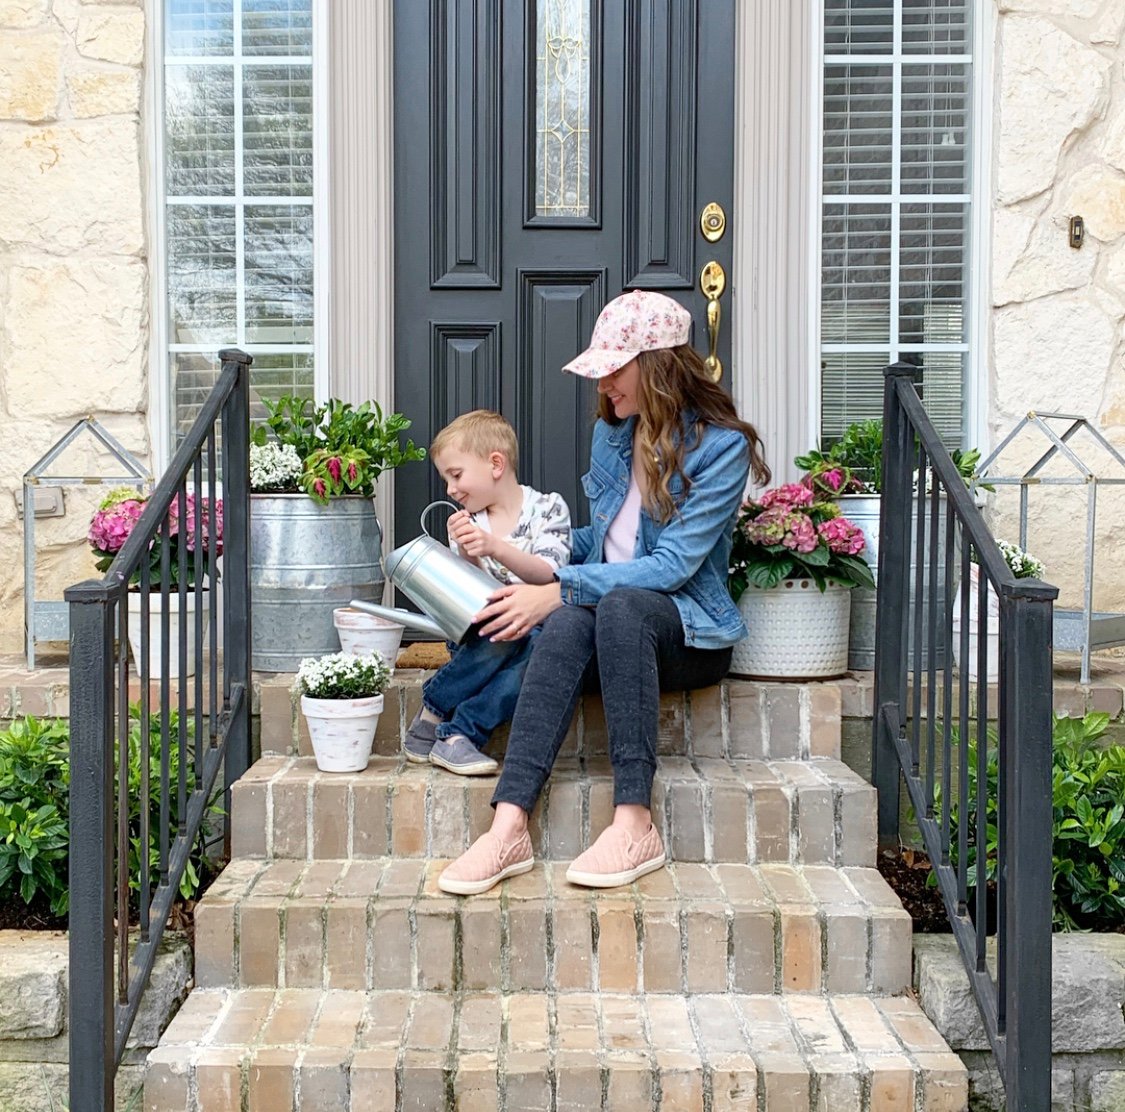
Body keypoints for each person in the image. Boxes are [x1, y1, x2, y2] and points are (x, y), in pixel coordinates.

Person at [437, 289, 771, 895]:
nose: (604, 385)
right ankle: (509, 825)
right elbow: (604, 539)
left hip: (687, 631)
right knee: (569, 624)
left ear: (657, 365)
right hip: (609, 623)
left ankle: (635, 822)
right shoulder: (612, 434)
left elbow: (669, 565)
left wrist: (562, 587)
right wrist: (524, 554)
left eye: (614, 369)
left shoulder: (721, 448)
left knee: (609, 607)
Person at [404, 410, 572, 775]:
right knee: (503, 630)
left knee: (535, 653)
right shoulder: (469, 523)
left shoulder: (549, 509)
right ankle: (436, 708)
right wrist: (468, 553)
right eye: (446, 479)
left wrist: (492, 546)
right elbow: (471, 597)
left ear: (496, 463)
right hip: (482, 633)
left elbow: (548, 575)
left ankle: (457, 733)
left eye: (456, 475)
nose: (450, 489)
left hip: (536, 625)